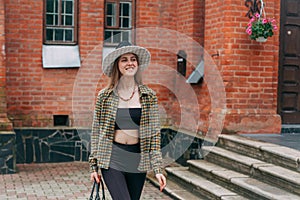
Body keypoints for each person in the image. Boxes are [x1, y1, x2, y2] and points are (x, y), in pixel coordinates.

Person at [89, 41, 167, 200]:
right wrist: (93, 166)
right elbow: (96, 131)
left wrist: (158, 169)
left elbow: (154, 135)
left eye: (133, 59)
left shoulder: (148, 96)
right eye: (124, 59)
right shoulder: (105, 96)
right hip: (112, 157)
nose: (129, 63)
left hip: (137, 159)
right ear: (117, 65)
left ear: (137, 64)